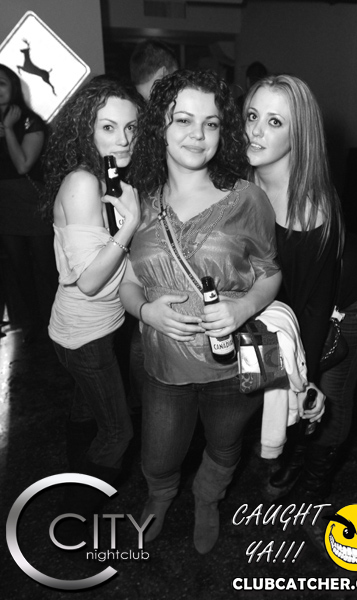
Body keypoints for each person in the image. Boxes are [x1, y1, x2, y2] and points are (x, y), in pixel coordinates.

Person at [120, 69, 282, 554]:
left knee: (226, 444)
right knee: (158, 454)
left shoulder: (248, 198)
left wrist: (244, 306)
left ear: (222, 131)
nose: (198, 134)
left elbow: (271, 272)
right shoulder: (139, 201)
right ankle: (160, 496)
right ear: (160, 127)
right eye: (183, 120)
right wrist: (147, 312)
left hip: (234, 362)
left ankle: (208, 497)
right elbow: (128, 283)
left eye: (210, 123)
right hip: (164, 362)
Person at [243, 74, 357, 500]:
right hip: (291, 302)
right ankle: (288, 454)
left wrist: (302, 380)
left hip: (352, 300)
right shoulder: (244, 181)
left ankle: (314, 484)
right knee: (276, 386)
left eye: (274, 122)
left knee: (326, 394)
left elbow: (313, 309)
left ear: (299, 135)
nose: (255, 130)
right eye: (252, 116)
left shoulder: (307, 208)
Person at [42, 76, 142, 523]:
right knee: (118, 431)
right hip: (86, 334)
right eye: (108, 127)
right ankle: (73, 517)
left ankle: (73, 475)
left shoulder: (105, 175)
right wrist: (130, 225)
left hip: (83, 329)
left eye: (131, 127)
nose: (123, 139)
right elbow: (89, 281)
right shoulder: (84, 181)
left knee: (86, 408)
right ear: (86, 129)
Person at [0, 64, 58, 343]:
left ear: (13, 87)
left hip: (31, 205)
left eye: (1, 83)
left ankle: (57, 321)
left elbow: (23, 164)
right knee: (18, 269)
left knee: (46, 268)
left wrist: (8, 129)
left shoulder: (29, 122)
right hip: (5, 206)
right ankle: (33, 324)